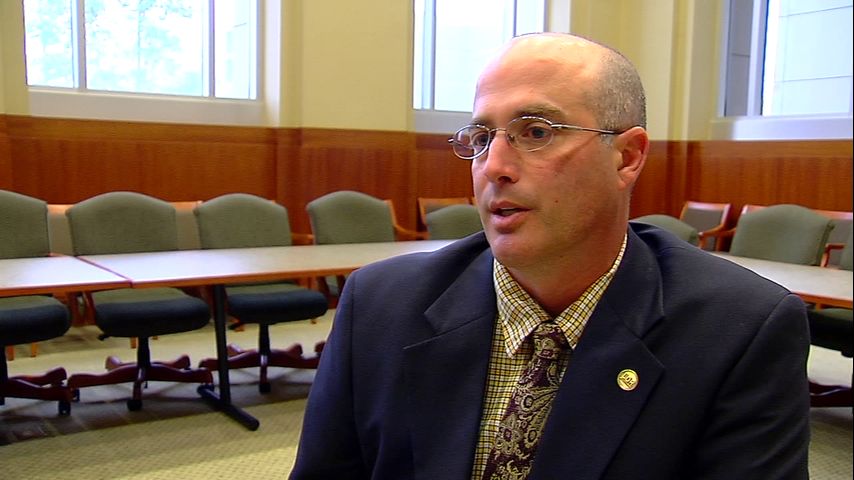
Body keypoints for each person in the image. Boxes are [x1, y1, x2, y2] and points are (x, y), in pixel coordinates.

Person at [290, 33, 810, 479]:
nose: (494, 166)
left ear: (627, 157)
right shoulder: (379, 304)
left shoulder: (740, 330)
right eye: (481, 137)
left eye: (536, 132)